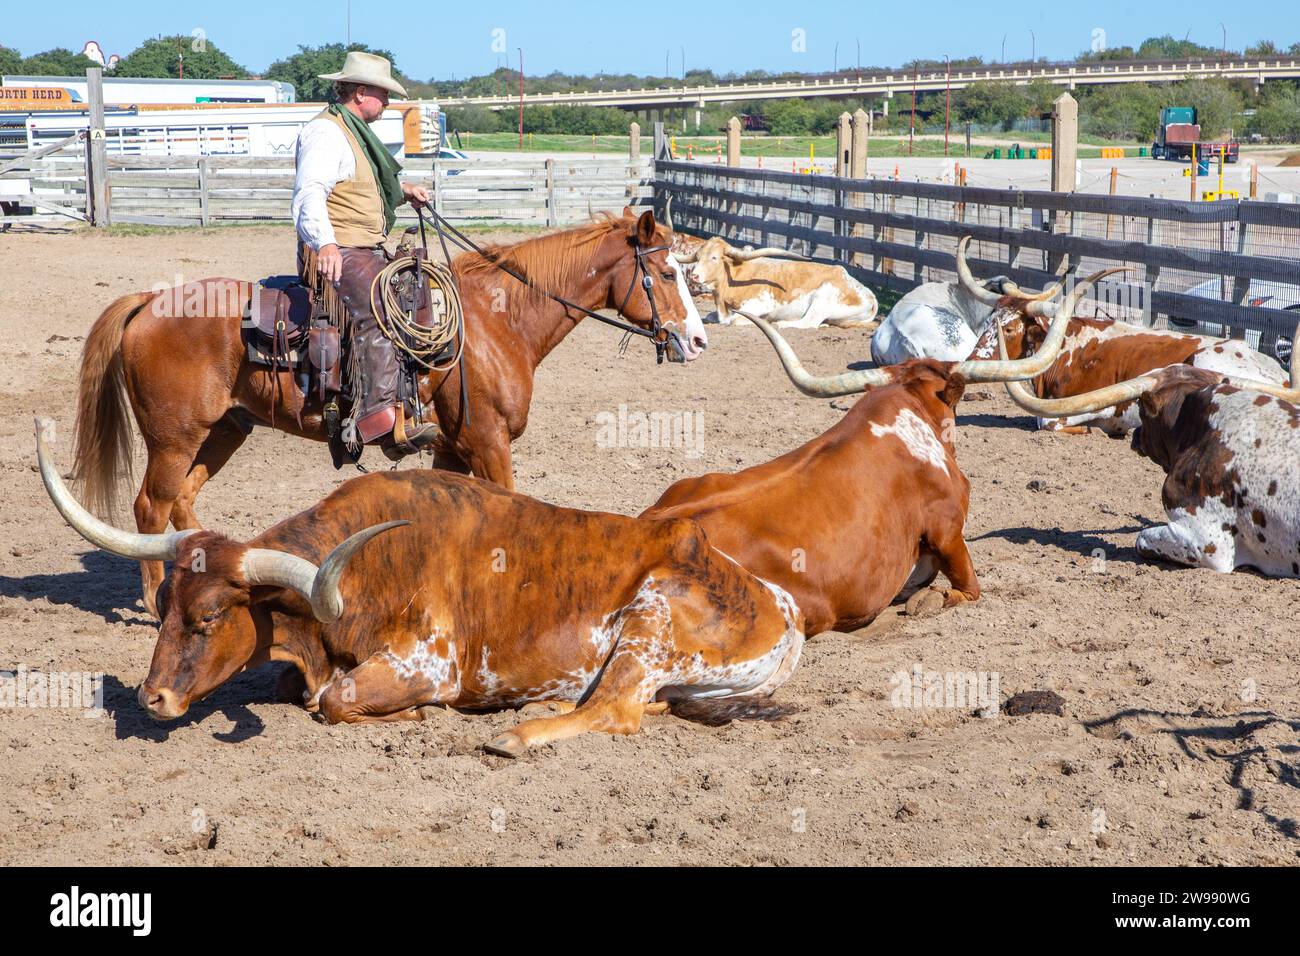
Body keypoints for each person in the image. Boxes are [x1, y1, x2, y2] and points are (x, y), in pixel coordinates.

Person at [291, 50, 436, 459]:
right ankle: (378, 420)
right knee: (379, 308)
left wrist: (404, 191)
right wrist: (326, 244)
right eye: (383, 94)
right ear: (359, 92)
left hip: (360, 245)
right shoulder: (327, 133)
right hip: (339, 249)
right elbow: (310, 193)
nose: (388, 102)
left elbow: (354, 184)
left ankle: (402, 401)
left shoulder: (352, 132)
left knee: (413, 290)